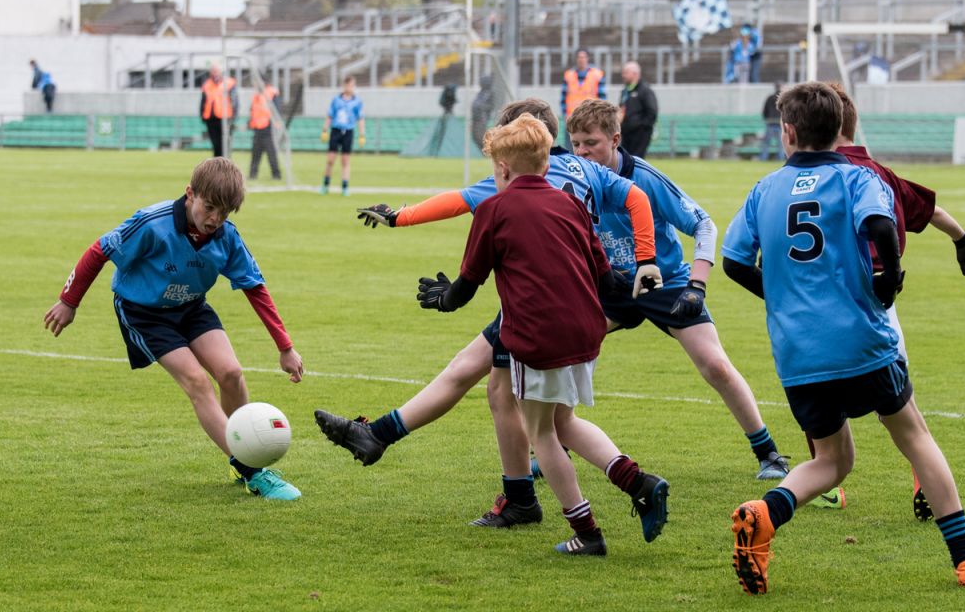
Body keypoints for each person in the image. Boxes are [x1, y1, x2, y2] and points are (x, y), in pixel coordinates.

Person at [315, 99, 670, 544]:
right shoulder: (580, 182)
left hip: (533, 314)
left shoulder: (500, 201)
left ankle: (579, 523)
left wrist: (437, 282)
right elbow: (622, 231)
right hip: (582, 310)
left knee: (537, 423)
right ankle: (383, 436)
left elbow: (465, 249)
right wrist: (644, 272)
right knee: (511, 394)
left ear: (504, 163)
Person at [721, 81, 965, 593]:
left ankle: (764, 513)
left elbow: (735, 261)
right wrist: (888, 275)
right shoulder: (855, 177)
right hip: (862, 341)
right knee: (914, 436)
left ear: (788, 131)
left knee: (831, 460)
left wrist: (780, 297)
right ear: (841, 130)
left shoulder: (763, 189)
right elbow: (879, 223)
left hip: (799, 353)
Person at [414, 114, 641, 556]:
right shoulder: (570, 204)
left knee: (543, 434)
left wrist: (443, 300)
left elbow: (466, 286)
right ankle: (636, 481)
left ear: (502, 167)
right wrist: (642, 293)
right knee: (564, 421)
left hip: (536, 337)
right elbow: (606, 278)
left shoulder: (496, 210)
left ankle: (590, 532)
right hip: (587, 333)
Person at [43, 157, 305, 501]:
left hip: (192, 307)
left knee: (231, 373)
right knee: (197, 381)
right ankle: (251, 469)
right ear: (189, 194)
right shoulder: (152, 223)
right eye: (209, 207)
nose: (214, 220)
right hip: (144, 312)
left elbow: (255, 287)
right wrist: (69, 300)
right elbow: (99, 250)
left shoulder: (226, 236)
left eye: (223, 213)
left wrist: (284, 347)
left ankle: (245, 452)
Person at [568, 98, 787, 479]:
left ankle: (768, 454)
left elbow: (704, 224)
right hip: (611, 284)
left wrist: (696, 286)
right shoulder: (577, 181)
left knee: (715, 364)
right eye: (576, 144)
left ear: (616, 139)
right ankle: (554, 445)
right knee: (568, 352)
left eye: (592, 143)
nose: (583, 152)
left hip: (664, 282)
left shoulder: (646, 179)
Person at [805, 82, 965, 512]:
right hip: (885, 306)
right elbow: (929, 210)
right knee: (902, 405)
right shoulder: (881, 174)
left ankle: (828, 483)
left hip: (832, 305)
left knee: (817, 386)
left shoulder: (821, 177)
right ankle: (923, 481)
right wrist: (964, 239)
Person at [320, 76, 365, 195]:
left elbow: (360, 118)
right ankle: (325, 184)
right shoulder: (336, 100)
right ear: (345, 86)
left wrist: (362, 135)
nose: (352, 88)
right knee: (330, 160)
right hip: (336, 131)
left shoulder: (357, 101)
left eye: (353, 85)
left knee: (345, 161)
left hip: (348, 132)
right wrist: (325, 130)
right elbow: (330, 115)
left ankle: (345, 187)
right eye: (350, 85)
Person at [559, 48, 605, 138]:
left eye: (583, 57)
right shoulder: (568, 75)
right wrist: (564, 114)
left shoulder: (597, 75)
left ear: (588, 58)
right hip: (571, 116)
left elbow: (602, 98)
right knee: (571, 143)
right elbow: (563, 97)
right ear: (576, 59)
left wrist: (598, 115)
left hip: (590, 117)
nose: (581, 59)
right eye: (579, 57)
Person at [618, 61, 657, 158]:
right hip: (626, 133)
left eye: (626, 72)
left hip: (640, 134)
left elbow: (652, 111)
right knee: (625, 161)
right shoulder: (625, 91)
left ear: (635, 74)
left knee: (637, 161)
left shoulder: (645, 90)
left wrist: (641, 127)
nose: (623, 75)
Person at [200, 64, 237, 159]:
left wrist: (233, 117)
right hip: (211, 119)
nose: (215, 73)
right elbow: (203, 101)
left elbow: (235, 101)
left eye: (217, 71)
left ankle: (226, 166)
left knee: (225, 144)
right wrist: (202, 116)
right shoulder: (207, 84)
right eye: (213, 71)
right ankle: (216, 167)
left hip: (225, 118)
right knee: (216, 145)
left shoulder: (229, 83)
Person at [248, 81, 282, 180]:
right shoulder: (256, 95)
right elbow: (253, 110)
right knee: (255, 153)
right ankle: (252, 174)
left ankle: (276, 174)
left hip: (268, 127)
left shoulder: (271, 93)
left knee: (271, 152)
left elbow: (276, 110)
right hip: (257, 127)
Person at [758, 83, 782, 160]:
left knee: (766, 143)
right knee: (780, 144)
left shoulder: (770, 98)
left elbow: (764, 111)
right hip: (779, 123)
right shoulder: (783, 99)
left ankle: (763, 158)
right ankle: (780, 159)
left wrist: (767, 119)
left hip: (770, 123)